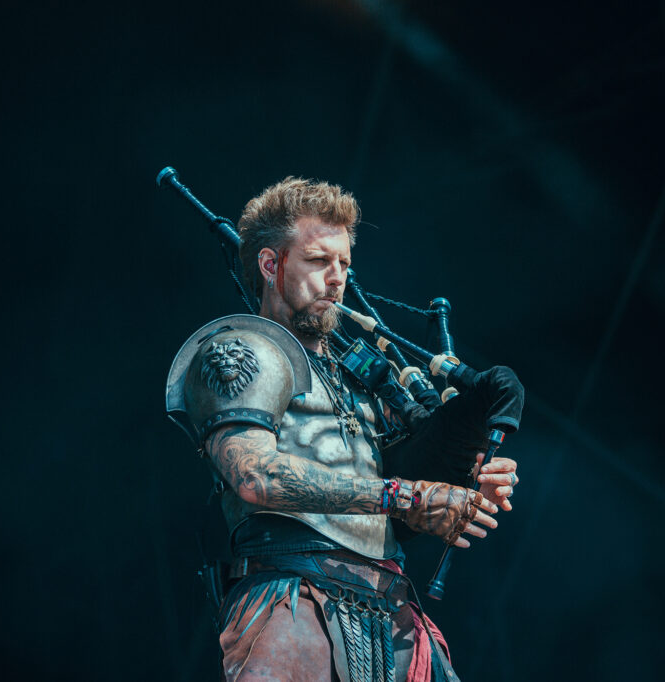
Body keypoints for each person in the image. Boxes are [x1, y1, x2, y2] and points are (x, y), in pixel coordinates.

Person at [166, 177, 521, 681]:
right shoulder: (239, 350)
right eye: (318, 261)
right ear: (270, 265)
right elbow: (255, 476)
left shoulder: (361, 375)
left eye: (344, 264)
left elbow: (394, 507)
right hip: (290, 600)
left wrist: (465, 489)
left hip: (392, 608)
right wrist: (412, 496)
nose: (337, 279)